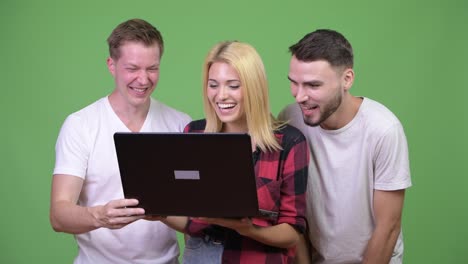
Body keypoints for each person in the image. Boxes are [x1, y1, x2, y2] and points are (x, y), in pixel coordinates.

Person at [49, 18, 191, 263]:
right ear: (111, 65)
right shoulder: (80, 125)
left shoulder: (180, 124)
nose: (143, 80)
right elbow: (59, 214)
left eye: (152, 68)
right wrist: (99, 216)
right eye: (133, 68)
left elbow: (194, 215)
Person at [157, 41, 309, 263]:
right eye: (213, 85)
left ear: (254, 87)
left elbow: (293, 231)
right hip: (201, 255)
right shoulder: (194, 133)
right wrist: (158, 213)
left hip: (257, 257)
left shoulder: (289, 142)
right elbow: (191, 222)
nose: (221, 96)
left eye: (233, 85)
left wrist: (249, 230)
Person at [279, 29, 412, 264]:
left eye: (313, 85)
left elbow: (388, 227)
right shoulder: (292, 119)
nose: (299, 96)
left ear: (347, 79)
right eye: (294, 83)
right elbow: (292, 211)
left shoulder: (383, 129)